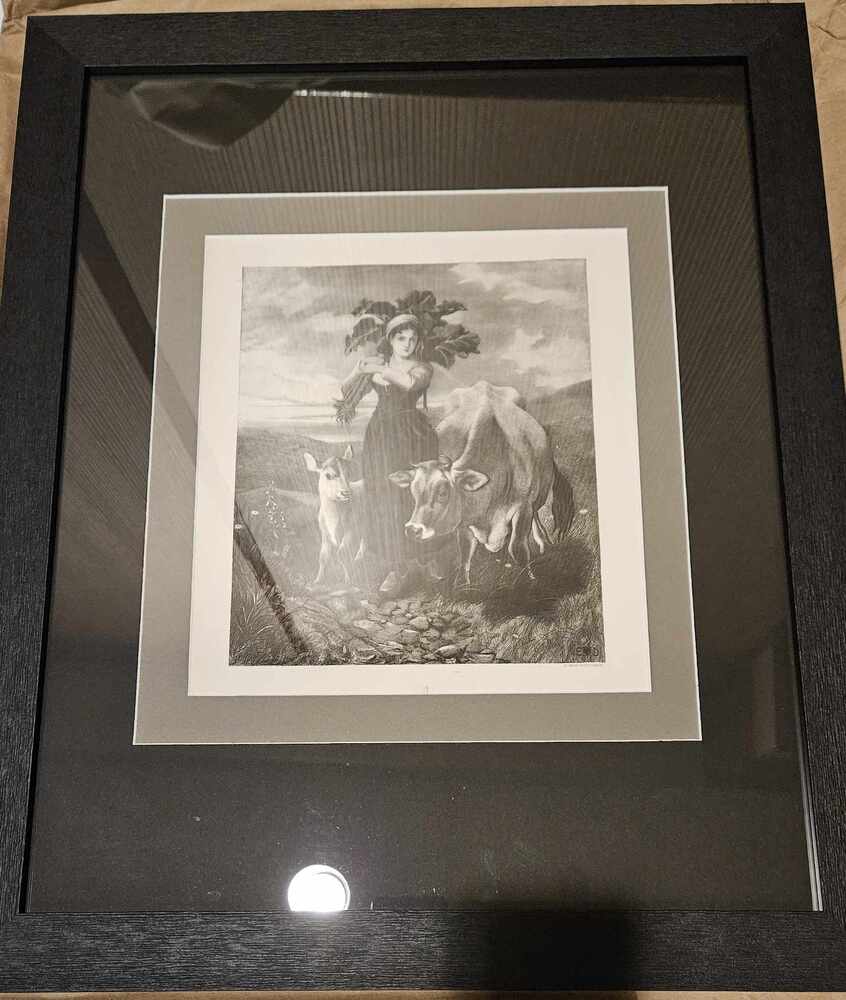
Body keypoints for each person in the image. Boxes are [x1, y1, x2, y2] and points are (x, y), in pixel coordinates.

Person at [340, 313, 439, 595]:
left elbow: (408, 384)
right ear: (391, 339)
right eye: (401, 338)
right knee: (382, 497)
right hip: (380, 437)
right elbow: (346, 390)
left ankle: (424, 556)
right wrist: (358, 369)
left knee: (413, 497)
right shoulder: (380, 364)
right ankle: (396, 566)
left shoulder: (422, 368)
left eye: (412, 339)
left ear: (418, 342)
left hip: (411, 436)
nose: (407, 344)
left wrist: (379, 368)